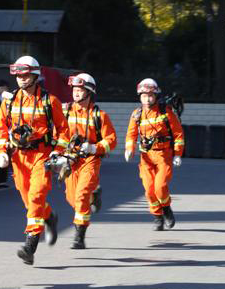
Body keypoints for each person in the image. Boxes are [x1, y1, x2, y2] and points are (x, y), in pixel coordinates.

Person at [0, 55, 70, 265]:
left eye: (25, 75)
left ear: (35, 75)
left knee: (36, 196)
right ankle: (49, 217)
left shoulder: (50, 101)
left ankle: (30, 243)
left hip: (41, 155)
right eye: (18, 75)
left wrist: (58, 152)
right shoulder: (9, 102)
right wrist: (1, 151)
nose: (21, 79)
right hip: (19, 158)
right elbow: (1, 129)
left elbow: (64, 130)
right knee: (30, 201)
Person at [62, 73, 117, 249]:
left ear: (89, 92)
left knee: (81, 195)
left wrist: (95, 148)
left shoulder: (99, 116)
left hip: (90, 160)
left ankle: (79, 235)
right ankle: (94, 196)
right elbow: (57, 133)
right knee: (72, 198)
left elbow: (111, 140)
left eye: (79, 90)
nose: (75, 93)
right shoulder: (65, 111)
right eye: (74, 90)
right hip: (70, 160)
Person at [124, 78, 184, 231]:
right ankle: (158, 217)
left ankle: (166, 209)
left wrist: (177, 154)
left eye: (150, 95)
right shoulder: (137, 114)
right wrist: (129, 149)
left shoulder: (165, 113)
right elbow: (131, 135)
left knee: (160, 186)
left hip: (164, 156)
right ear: (140, 97)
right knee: (149, 191)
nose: (147, 98)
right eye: (144, 96)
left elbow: (178, 134)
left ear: (156, 95)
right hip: (145, 158)